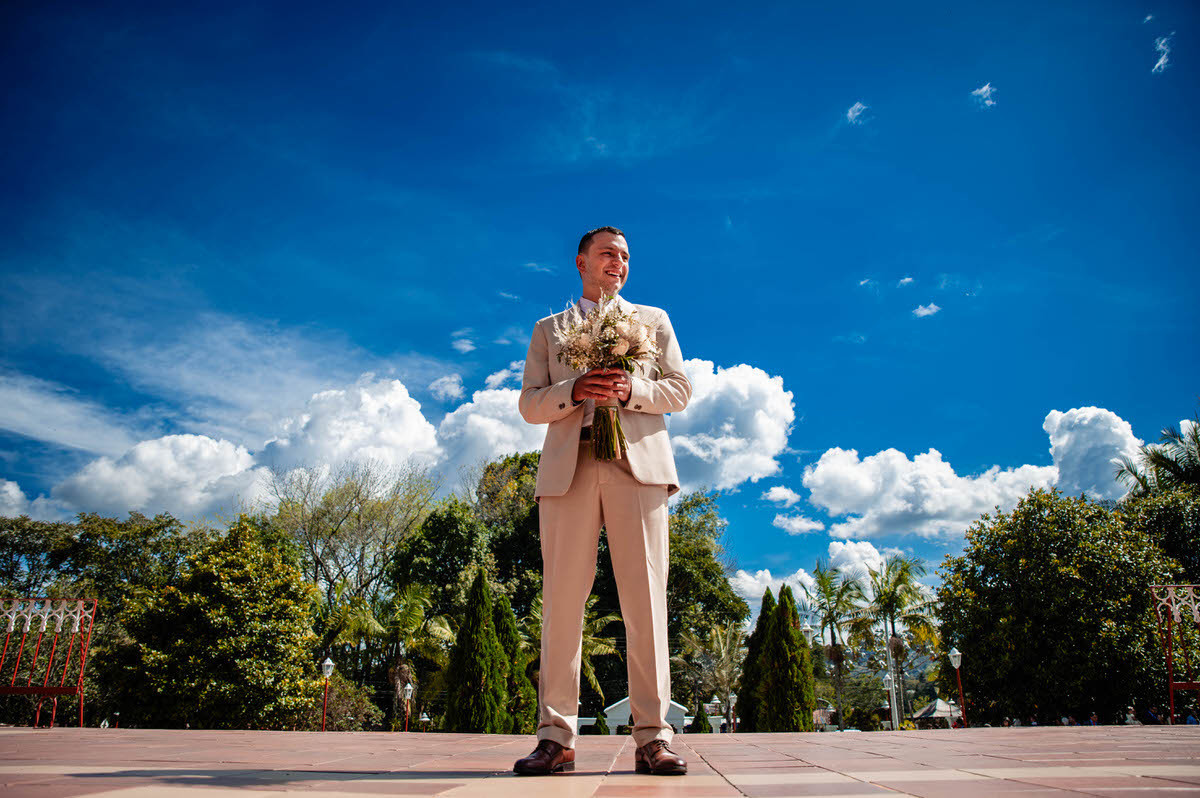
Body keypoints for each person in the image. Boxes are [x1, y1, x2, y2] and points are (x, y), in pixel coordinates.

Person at [513, 227, 692, 777]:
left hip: (638, 469)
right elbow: (529, 404)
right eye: (608, 254)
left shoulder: (653, 321)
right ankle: (557, 739)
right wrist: (575, 390)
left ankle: (653, 738)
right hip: (569, 472)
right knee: (561, 604)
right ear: (581, 262)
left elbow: (679, 390)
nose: (619, 263)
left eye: (626, 256)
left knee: (645, 602)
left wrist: (629, 391)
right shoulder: (550, 329)